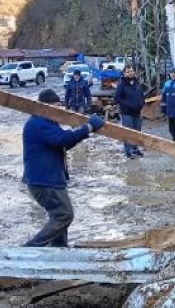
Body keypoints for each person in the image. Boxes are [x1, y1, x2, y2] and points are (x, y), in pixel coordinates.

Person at [23, 88, 105, 247]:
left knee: (58, 215)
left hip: (49, 179)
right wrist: (87, 128)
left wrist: (85, 130)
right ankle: (31, 247)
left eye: (60, 106)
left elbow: (64, 143)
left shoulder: (47, 122)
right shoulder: (39, 123)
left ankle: (59, 249)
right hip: (44, 181)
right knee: (64, 215)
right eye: (55, 106)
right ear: (44, 106)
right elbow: (63, 139)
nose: (59, 110)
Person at [114, 65, 145, 158]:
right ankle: (128, 151)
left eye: (131, 71)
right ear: (124, 73)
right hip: (127, 113)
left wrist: (142, 102)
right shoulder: (121, 84)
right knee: (128, 132)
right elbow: (117, 98)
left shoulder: (137, 82)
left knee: (137, 132)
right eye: (128, 71)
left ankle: (135, 149)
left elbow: (141, 94)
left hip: (137, 112)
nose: (130, 73)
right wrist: (127, 105)